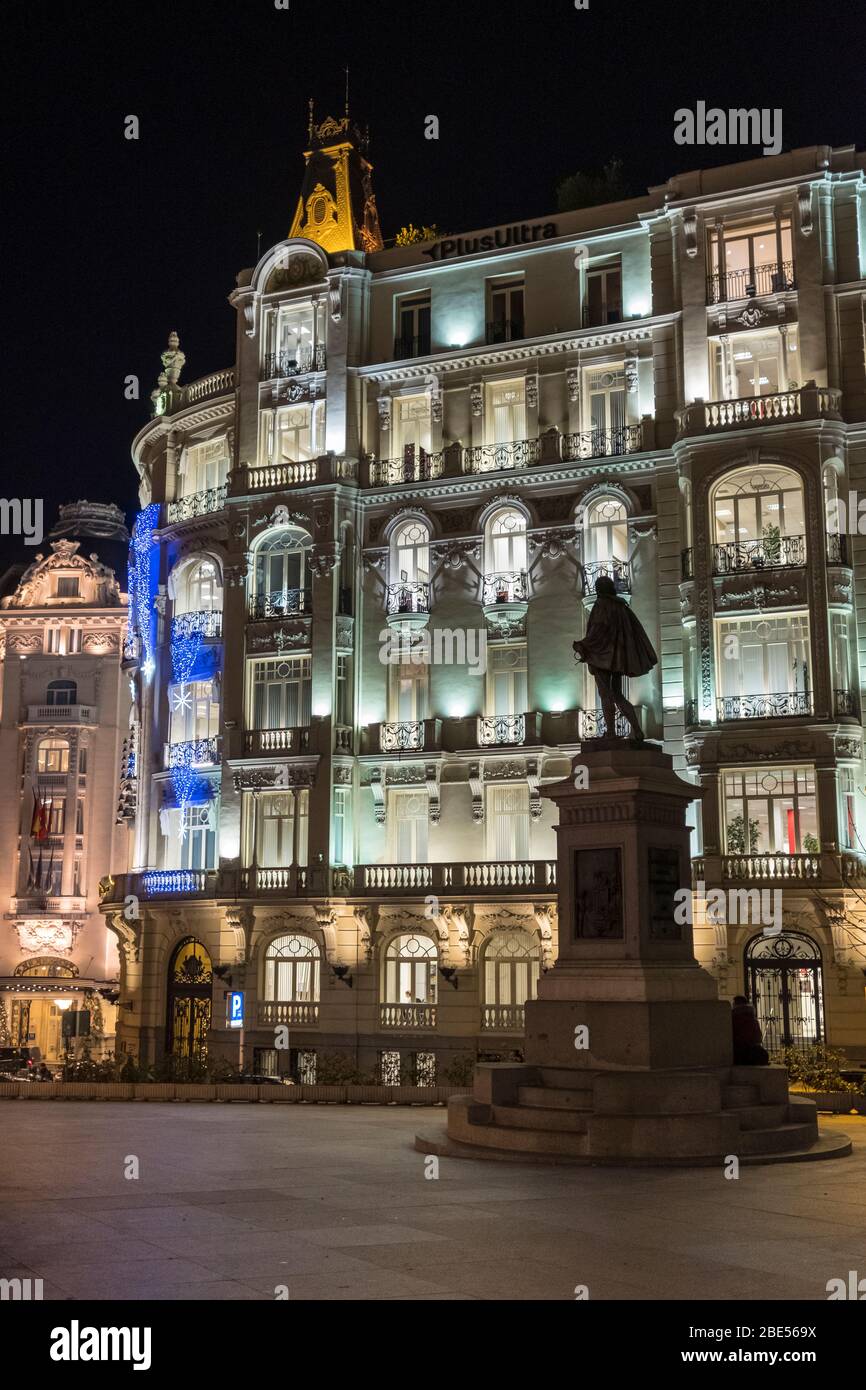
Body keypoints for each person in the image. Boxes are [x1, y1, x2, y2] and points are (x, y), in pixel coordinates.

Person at [573, 574, 658, 740]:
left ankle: (611, 732)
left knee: (605, 694)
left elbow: (597, 630)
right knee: (618, 695)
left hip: (602, 657)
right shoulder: (621, 607)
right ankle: (637, 730)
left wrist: (583, 645)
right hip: (617, 658)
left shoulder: (601, 605)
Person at [731, 995, 769, 1065]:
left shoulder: (732, 1019)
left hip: (738, 1054)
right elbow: (758, 1038)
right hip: (752, 1053)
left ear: (735, 1005)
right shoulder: (752, 1018)